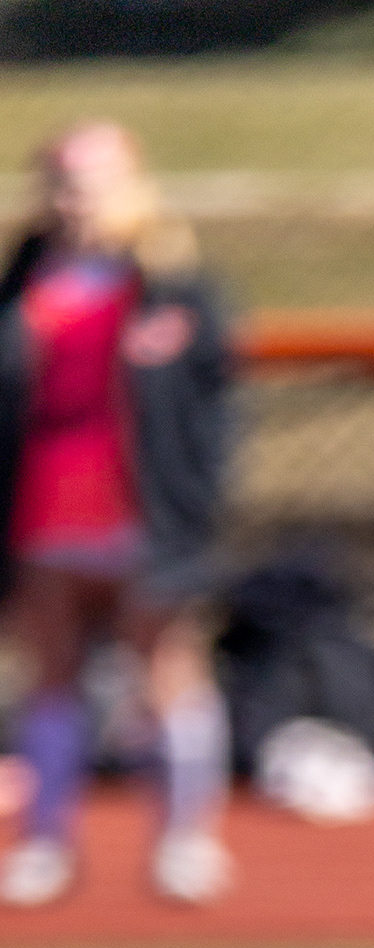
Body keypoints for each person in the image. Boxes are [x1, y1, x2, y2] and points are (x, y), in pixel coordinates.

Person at [0, 121, 233, 908]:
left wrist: (195, 503)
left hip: (141, 507)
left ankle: (185, 839)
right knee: (50, 676)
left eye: (94, 181)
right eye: (63, 182)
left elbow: (213, 406)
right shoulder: (23, 282)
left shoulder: (174, 284)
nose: (77, 199)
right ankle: (45, 842)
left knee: (166, 671)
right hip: (45, 504)